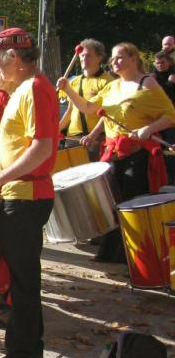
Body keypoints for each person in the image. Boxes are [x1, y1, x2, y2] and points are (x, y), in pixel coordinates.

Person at [0, 27, 58, 358]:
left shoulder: (35, 87)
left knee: (23, 279)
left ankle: (22, 355)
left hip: (24, 197)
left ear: (14, 57)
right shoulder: (23, 88)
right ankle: (27, 342)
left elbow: (42, 147)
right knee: (21, 276)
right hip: (17, 194)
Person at [58, 42, 175, 262]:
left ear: (133, 58)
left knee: (130, 204)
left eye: (120, 57)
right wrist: (68, 90)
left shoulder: (147, 83)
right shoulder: (112, 87)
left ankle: (134, 258)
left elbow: (170, 115)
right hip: (113, 152)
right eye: (113, 58)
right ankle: (110, 253)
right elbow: (89, 108)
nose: (114, 62)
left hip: (137, 153)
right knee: (110, 203)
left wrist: (149, 129)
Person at [58, 39, 114, 159]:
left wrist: (93, 135)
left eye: (88, 55)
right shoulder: (74, 82)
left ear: (99, 57)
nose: (84, 58)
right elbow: (70, 111)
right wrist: (56, 130)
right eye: (82, 55)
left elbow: (108, 114)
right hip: (73, 137)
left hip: (96, 138)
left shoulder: (108, 82)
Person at [153, 47, 175, 182]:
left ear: (169, 63)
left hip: (171, 118)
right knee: (160, 148)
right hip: (157, 118)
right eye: (158, 63)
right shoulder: (152, 77)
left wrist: (171, 83)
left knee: (171, 146)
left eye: (163, 63)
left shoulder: (173, 75)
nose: (160, 65)